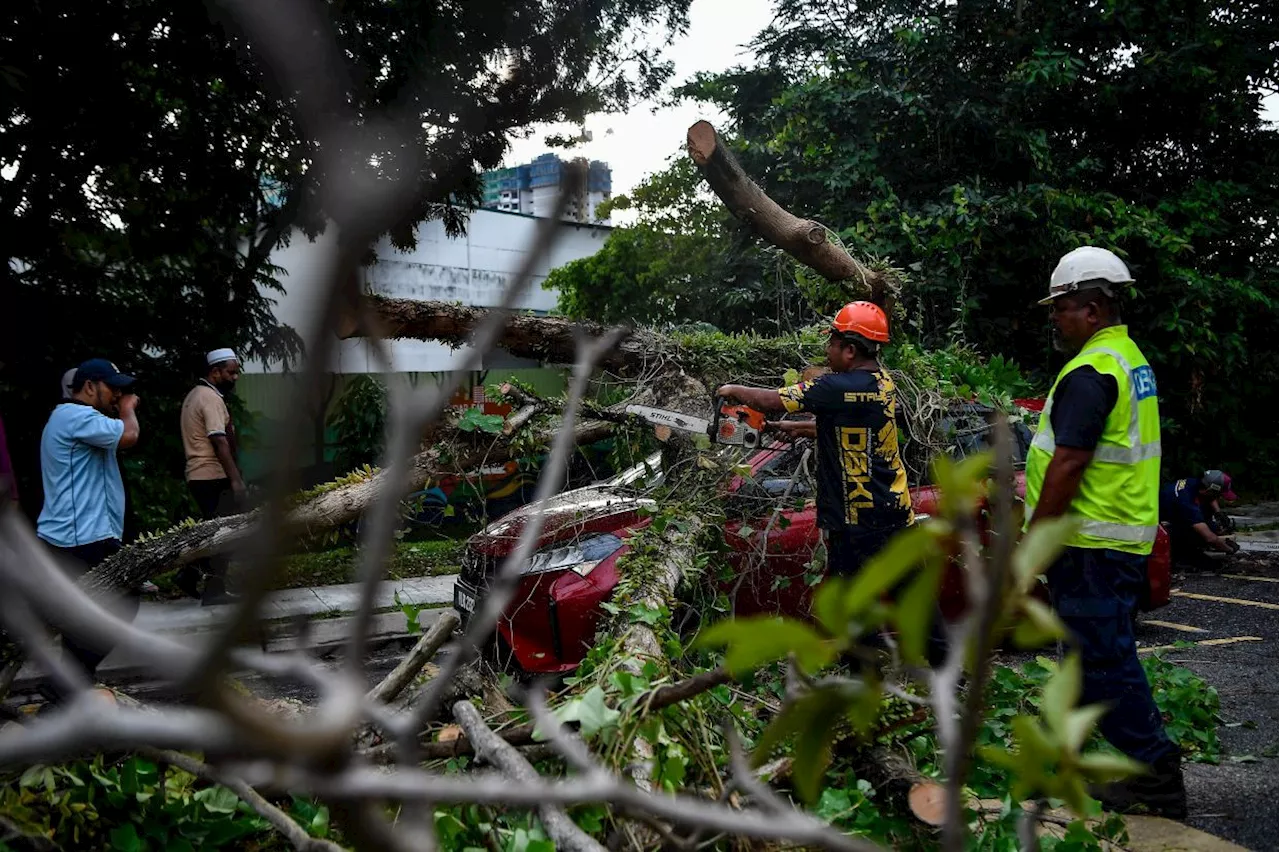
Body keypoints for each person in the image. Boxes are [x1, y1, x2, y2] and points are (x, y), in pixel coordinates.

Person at [1023, 246, 1184, 818]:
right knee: (1083, 658)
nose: (1054, 317)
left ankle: (1156, 773)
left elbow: (1069, 463)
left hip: (1090, 544)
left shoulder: (1092, 371)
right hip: (1113, 539)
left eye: (1061, 307)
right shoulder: (1129, 359)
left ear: (1092, 309)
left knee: (1102, 661)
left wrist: (1033, 541)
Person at [35, 358, 143, 695]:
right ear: (90, 386)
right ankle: (68, 684)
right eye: (113, 388)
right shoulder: (77, 416)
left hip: (74, 534)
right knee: (125, 599)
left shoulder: (72, 418)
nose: (118, 395)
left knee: (82, 614)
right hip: (81, 537)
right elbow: (130, 435)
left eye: (122, 391)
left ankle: (69, 686)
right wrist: (128, 408)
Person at [175, 348, 245, 605]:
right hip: (212, 475)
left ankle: (191, 574)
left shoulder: (196, 395)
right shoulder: (209, 398)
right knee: (225, 535)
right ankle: (213, 589)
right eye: (231, 372)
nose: (235, 377)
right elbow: (219, 441)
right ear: (215, 372)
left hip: (199, 476)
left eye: (236, 372)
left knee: (215, 532)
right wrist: (236, 479)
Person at [1160, 470, 1239, 569]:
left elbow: (1210, 497)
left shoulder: (1196, 483)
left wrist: (1218, 513)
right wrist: (1228, 549)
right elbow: (1210, 538)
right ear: (1210, 491)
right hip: (1163, 527)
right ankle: (1181, 557)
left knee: (1212, 527)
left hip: (1175, 516)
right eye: (1219, 495)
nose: (1219, 498)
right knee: (1204, 534)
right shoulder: (1186, 502)